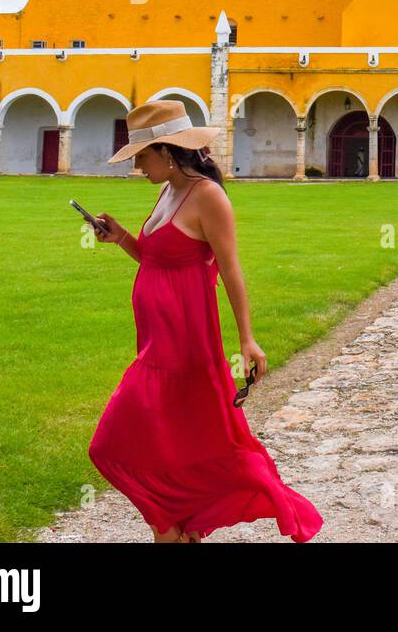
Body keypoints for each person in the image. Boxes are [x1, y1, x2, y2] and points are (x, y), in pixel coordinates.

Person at [88, 100, 323, 543]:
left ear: (168, 151)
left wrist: (248, 341)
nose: (137, 166)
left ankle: (170, 526)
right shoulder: (168, 190)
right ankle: (182, 526)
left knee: (111, 442)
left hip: (184, 347)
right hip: (158, 343)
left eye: (141, 155)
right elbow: (156, 260)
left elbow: (231, 271)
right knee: (174, 441)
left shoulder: (207, 196)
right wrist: (120, 237)